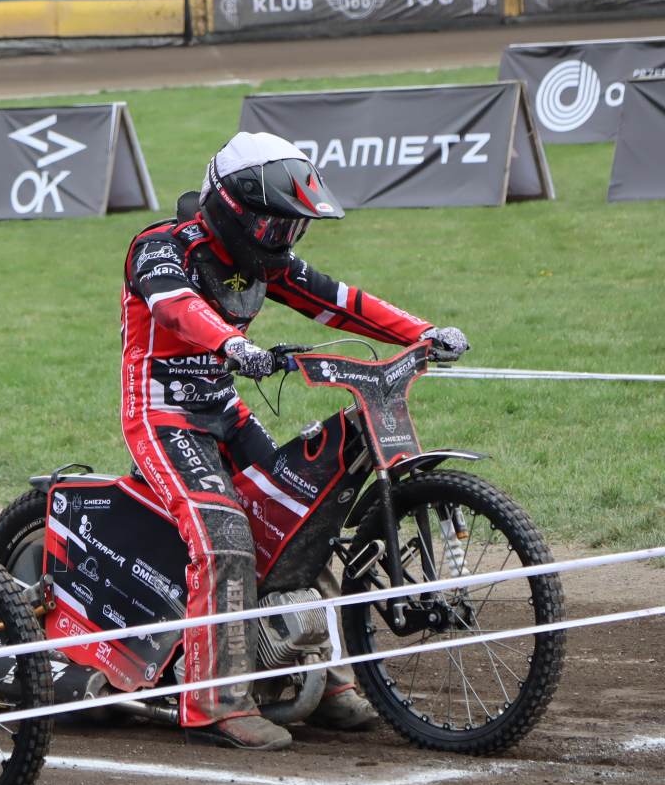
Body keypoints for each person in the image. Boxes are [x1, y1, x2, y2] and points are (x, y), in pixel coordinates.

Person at [119, 132, 469, 751]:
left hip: (224, 410)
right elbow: (174, 309)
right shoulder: (159, 247)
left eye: (292, 228)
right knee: (224, 537)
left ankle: (326, 684)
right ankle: (215, 705)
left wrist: (423, 333)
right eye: (274, 225)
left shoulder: (265, 262)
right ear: (233, 209)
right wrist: (233, 344)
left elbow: (340, 303)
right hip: (161, 415)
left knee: (307, 519)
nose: (284, 239)